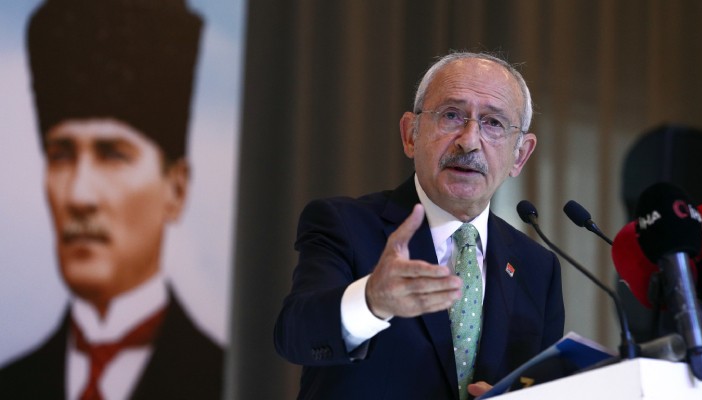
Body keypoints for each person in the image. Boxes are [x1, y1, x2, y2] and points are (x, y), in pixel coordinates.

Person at [274, 51, 565, 399]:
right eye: (451, 115)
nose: (469, 140)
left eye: (493, 123)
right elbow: (296, 335)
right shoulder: (344, 224)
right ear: (410, 135)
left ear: (520, 155)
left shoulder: (538, 267)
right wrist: (371, 301)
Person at [0, 0, 223, 398]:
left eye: (113, 155)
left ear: (176, 188)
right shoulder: (12, 384)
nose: (78, 195)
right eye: (61, 155)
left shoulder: (230, 382)